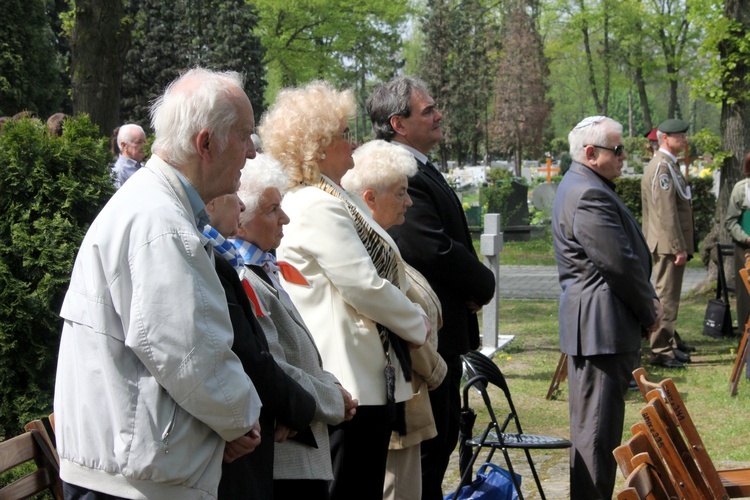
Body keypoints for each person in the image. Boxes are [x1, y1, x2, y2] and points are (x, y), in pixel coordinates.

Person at [53, 67, 264, 499]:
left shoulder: (157, 209)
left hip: (134, 469)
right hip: (131, 480)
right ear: (206, 143)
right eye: (244, 136)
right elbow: (187, 353)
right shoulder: (159, 222)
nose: (252, 154)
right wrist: (243, 417)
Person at [259, 80, 430, 500]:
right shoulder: (317, 203)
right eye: (342, 134)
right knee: (353, 487)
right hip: (349, 377)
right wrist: (415, 322)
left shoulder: (331, 195)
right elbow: (363, 284)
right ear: (317, 146)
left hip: (362, 374)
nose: (353, 142)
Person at [366, 75, 496, 499]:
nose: (439, 115)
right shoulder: (397, 171)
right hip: (424, 343)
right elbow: (429, 247)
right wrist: (482, 283)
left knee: (437, 454)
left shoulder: (417, 165)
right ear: (398, 124)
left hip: (442, 333)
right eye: (428, 110)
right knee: (425, 460)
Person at [223, 155, 358, 499]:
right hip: (285, 459)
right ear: (239, 220)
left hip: (299, 450)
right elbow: (270, 364)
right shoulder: (243, 276)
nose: (285, 218)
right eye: (272, 210)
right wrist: (331, 399)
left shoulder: (261, 269)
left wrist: (330, 383)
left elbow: (295, 354)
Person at [552, 115, 663, 499]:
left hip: (601, 327)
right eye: (617, 150)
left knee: (597, 433)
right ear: (590, 153)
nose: (623, 157)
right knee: (597, 437)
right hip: (601, 329)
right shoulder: (588, 193)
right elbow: (619, 264)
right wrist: (650, 310)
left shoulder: (588, 184)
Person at [341, 139, 447, 500]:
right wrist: (437, 372)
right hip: (394, 399)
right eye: (401, 193)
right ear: (369, 198)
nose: (409, 202)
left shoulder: (384, 244)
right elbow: (392, 318)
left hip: (405, 399)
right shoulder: (367, 251)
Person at [203, 193, 317, 500]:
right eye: (272, 210)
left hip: (272, 428)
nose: (285, 219)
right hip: (268, 439)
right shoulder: (233, 267)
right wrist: (310, 404)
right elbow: (253, 356)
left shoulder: (237, 262)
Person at [641, 118, 696, 368]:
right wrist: (677, 246)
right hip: (666, 244)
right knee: (666, 297)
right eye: (679, 137)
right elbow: (666, 212)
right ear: (665, 138)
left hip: (667, 243)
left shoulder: (667, 165)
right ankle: (661, 350)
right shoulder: (662, 167)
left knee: (669, 296)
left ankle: (668, 344)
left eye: (684, 136)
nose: (684, 140)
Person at [724, 153, 750, 348]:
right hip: (746, 247)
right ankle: (745, 334)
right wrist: (746, 238)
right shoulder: (741, 189)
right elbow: (731, 221)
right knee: (746, 292)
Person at [112, 123, 147, 188]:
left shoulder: (141, 166)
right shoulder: (120, 173)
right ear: (124, 145)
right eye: (138, 142)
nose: (144, 145)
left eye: (144, 141)